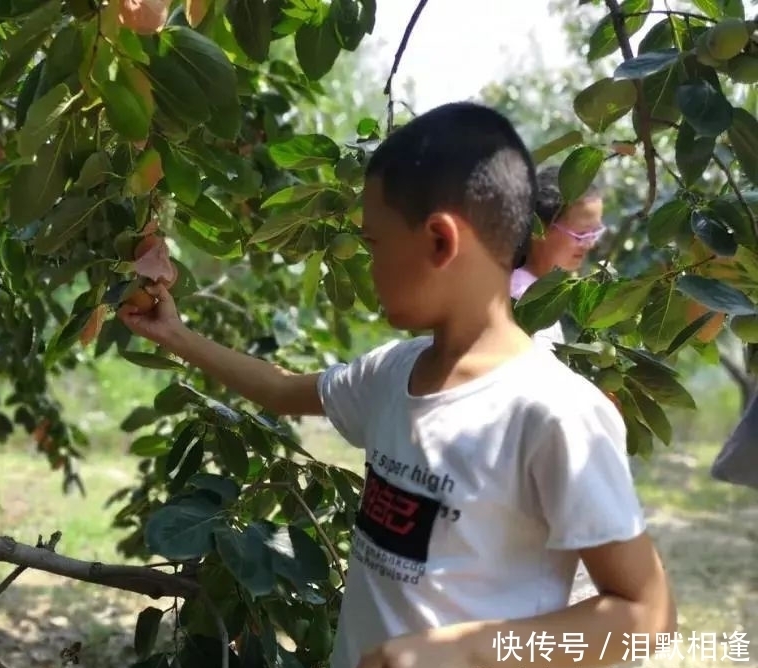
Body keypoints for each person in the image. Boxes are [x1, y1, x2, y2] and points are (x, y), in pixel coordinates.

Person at [117, 102, 676, 668]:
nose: (369, 262)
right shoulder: (392, 372)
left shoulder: (553, 413)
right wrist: (177, 337)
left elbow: (646, 615)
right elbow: (284, 391)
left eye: (375, 244)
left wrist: (463, 652)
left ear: (439, 241)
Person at [511, 166, 607, 351]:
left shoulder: (539, 293)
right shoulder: (520, 299)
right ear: (539, 229)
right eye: (581, 234)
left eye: (595, 232)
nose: (590, 244)